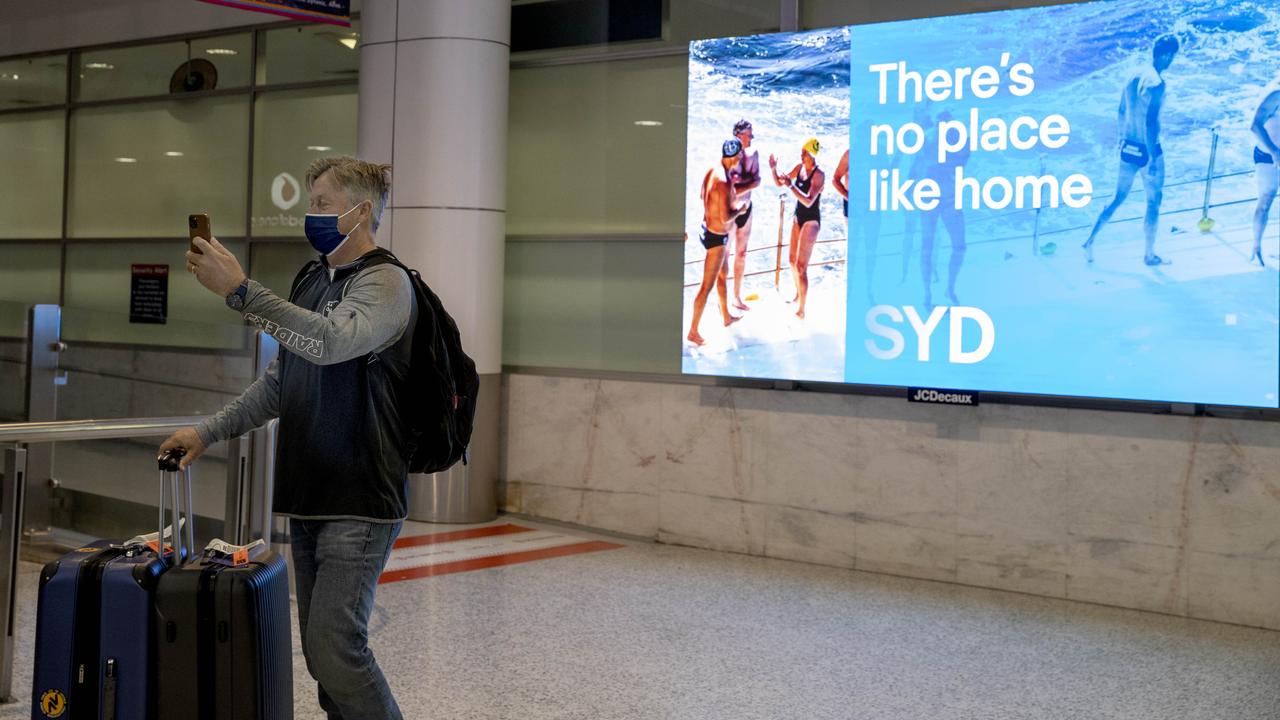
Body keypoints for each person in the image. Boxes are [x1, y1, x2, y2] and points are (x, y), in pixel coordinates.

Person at [160, 156, 412, 720]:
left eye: (323, 204)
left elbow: (327, 343)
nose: (311, 214)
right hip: (310, 492)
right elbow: (282, 382)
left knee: (336, 649)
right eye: (311, 202)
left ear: (362, 210)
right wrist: (208, 432)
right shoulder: (313, 278)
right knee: (322, 657)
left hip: (361, 497)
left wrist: (242, 291)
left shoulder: (386, 284)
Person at [1083, 34, 1180, 266]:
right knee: (1154, 201)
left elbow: (1120, 110)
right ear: (1166, 55)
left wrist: (1121, 140)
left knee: (1118, 197)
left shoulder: (1132, 75)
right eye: (1173, 57)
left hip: (1127, 146)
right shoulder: (1157, 84)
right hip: (1148, 150)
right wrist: (1154, 158)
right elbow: (1151, 123)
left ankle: (1090, 241)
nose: (1172, 61)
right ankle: (1149, 255)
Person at [687, 139, 748, 346]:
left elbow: (702, 195)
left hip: (707, 230)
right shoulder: (725, 181)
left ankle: (726, 317)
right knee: (706, 287)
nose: (742, 158)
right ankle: (693, 331)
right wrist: (740, 207)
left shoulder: (712, 170)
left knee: (723, 274)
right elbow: (725, 217)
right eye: (741, 155)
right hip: (717, 239)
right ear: (737, 155)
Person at [918, 109, 969, 309]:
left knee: (956, 246)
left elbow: (959, 164)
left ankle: (946, 289)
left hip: (944, 195)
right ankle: (929, 294)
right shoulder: (930, 139)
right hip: (934, 195)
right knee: (928, 249)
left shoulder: (953, 139)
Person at [770, 138, 825, 319]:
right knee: (792, 261)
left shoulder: (818, 175)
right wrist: (773, 169)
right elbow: (780, 182)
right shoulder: (799, 167)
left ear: (811, 154)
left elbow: (809, 201)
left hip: (811, 220)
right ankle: (797, 294)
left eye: (803, 152)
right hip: (798, 217)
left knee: (801, 267)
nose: (800, 155)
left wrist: (791, 185)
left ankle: (802, 309)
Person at [729, 120, 762, 311]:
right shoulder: (729, 156)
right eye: (749, 134)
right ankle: (722, 299)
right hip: (731, 211)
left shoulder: (753, 154)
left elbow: (756, 181)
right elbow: (730, 188)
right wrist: (747, 182)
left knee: (741, 254)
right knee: (724, 256)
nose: (752, 137)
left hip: (746, 209)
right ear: (738, 134)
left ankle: (736, 296)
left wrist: (743, 182)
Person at [1249, 78, 1280, 267]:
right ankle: (1256, 247)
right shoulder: (1275, 94)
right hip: (1268, 156)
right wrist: (1275, 152)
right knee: (1265, 201)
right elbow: (1255, 125)